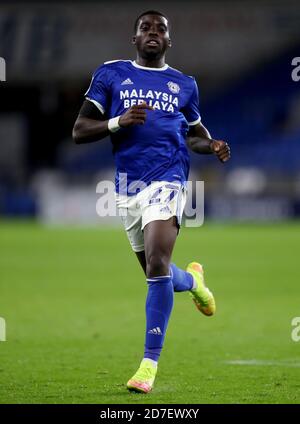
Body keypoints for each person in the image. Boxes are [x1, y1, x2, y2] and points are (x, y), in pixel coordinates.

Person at [72, 10, 231, 394]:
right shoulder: (110, 74)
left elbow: (194, 134)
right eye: (146, 28)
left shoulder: (184, 84)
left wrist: (210, 145)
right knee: (156, 273)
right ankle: (194, 281)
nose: (154, 32)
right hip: (127, 187)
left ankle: (148, 365)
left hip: (169, 179)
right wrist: (117, 122)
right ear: (135, 38)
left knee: (158, 262)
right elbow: (79, 131)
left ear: (169, 40)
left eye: (161, 28)